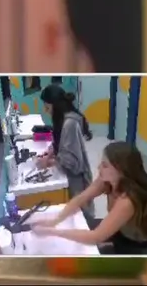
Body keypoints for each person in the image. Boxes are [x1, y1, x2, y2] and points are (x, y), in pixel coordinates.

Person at [33, 141, 147, 255]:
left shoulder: (127, 201)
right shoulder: (107, 181)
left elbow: (95, 237)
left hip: (137, 249)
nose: (98, 167)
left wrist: (54, 231)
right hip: (120, 233)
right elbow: (80, 198)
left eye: (105, 165)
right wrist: (55, 220)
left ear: (121, 171)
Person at [35, 83, 95, 225]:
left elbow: (72, 163)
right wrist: (50, 152)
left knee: (81, 219)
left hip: (77, 181)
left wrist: (49, 163)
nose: (46, 111)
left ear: (56, 106)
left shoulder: (69, 124)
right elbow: (61, 142)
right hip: (72, 178)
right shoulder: (63, 120)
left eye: (47, 107)